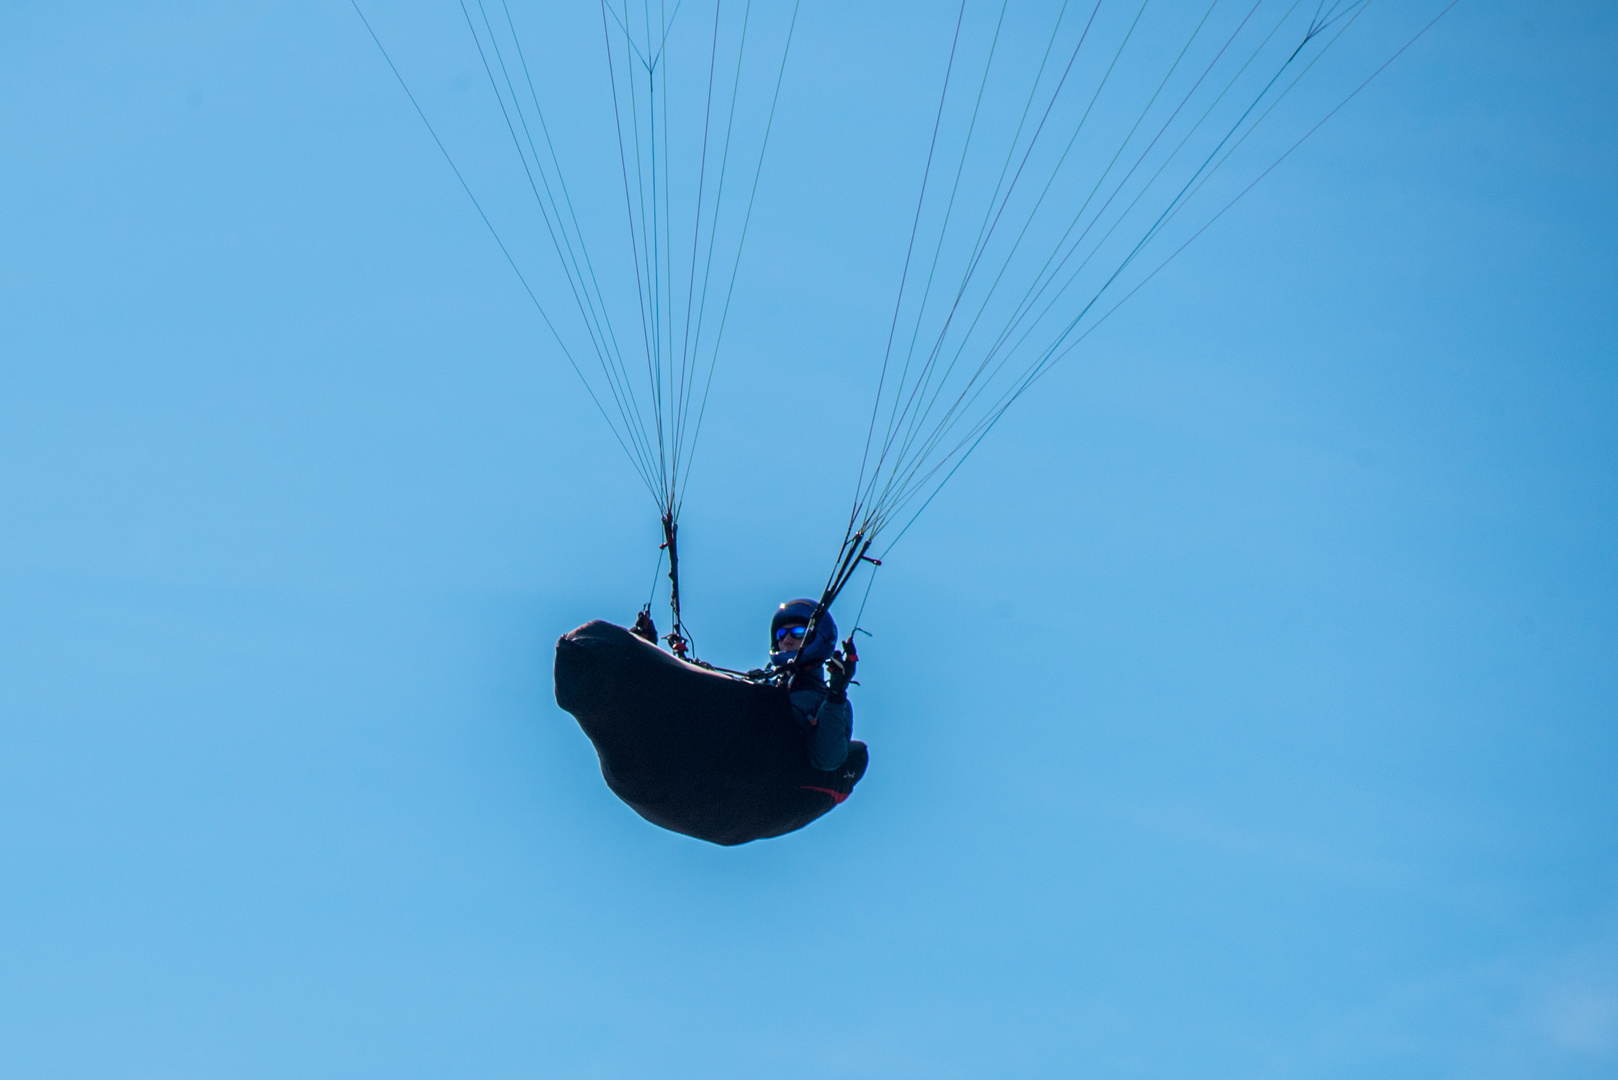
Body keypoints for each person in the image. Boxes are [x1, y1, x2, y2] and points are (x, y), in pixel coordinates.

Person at [768, 599, 856, 771]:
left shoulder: (827, 703)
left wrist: (836, 695)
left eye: (798, 632)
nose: (786, 640)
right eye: (781, 634)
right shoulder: (764, 687)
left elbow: (828, 759)